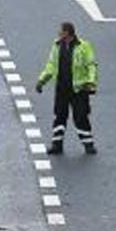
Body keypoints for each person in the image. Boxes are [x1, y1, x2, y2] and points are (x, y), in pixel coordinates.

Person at [36, 21, 99, 155]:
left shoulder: (83, 46)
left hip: (79, 89)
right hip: (62, 88)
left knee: (81, 116)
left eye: (60, 31)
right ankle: (56, 145)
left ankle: (88, 145)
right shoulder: (56, 46)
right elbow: (51, 66)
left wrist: (91, 82)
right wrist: (41, 81)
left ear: (67, 33)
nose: (58, 33)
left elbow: (91, 65)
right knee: (59, 115)